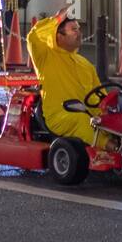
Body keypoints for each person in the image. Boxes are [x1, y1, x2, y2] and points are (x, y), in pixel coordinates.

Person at [27, 8, 111, 149]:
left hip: (87, 113)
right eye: (73, 29)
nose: (79, 32)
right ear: (58, 36)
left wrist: (109, 111)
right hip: (59, 116)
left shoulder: (85, 64)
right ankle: (113, 149)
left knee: (112, 120)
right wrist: (57, 19)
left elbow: (99, 96)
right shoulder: (45, 56)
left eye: (79, 28)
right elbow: (33, 36)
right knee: (83, 120)